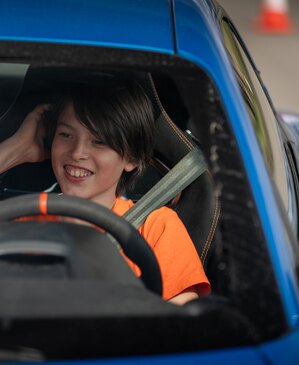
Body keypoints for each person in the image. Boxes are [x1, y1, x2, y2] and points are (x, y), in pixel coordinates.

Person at [0, 81, 210, 305]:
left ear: (131, 158)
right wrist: (16, 148)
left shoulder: (155, 226)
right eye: (65, 135)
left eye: (99, 141)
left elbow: (179, 320)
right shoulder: (23, 218)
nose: (78, 153)